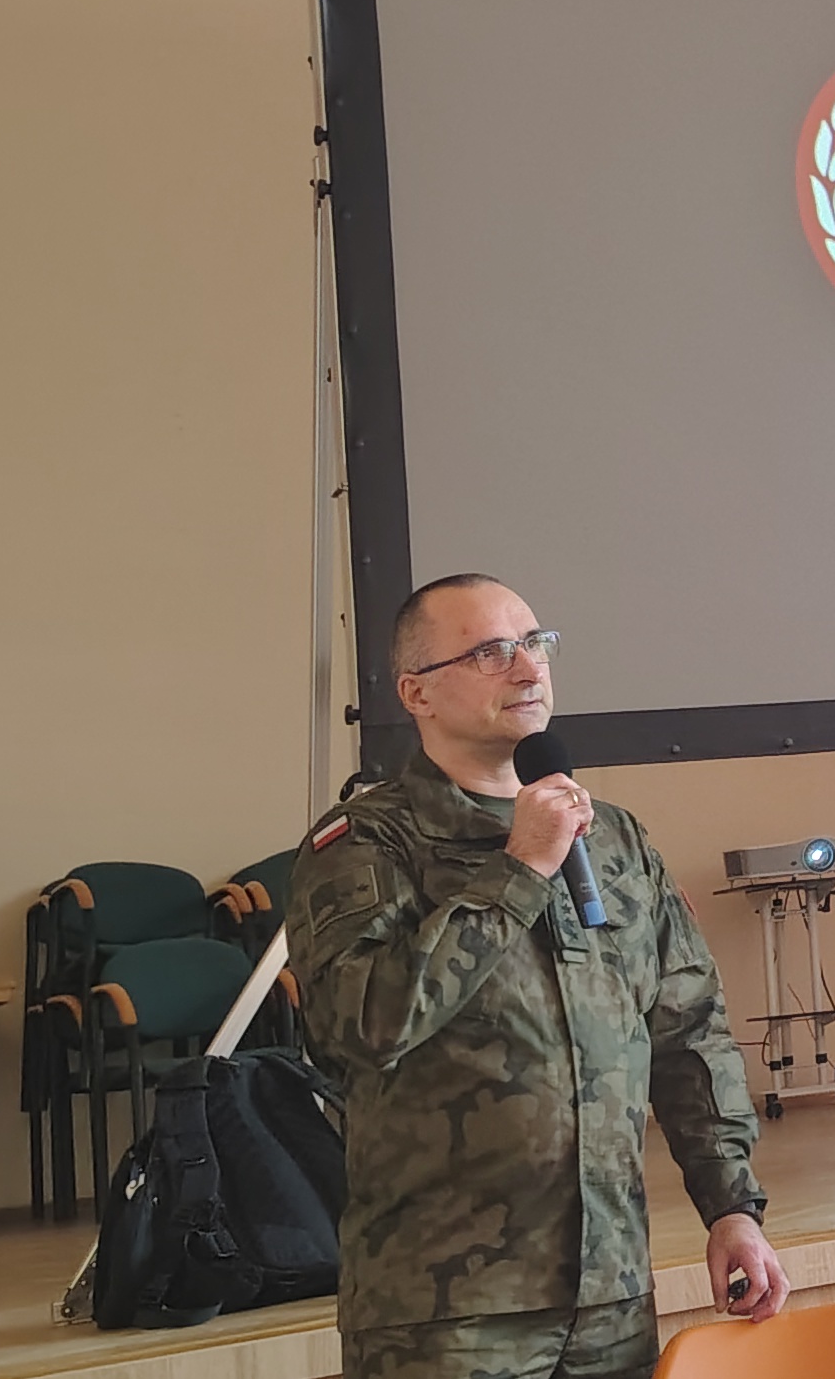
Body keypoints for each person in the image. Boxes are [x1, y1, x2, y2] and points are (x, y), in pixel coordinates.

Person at [287, 574, 789, 1379]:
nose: (527, 669)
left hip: (610, 1295)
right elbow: (361, 1026)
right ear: (416, 692)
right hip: (448, 1311)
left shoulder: (616, 840)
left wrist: (732, 1206)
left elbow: (688, 1033)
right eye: (490, 652)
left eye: (534, 643)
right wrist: (519, 869)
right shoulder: (367, 844)